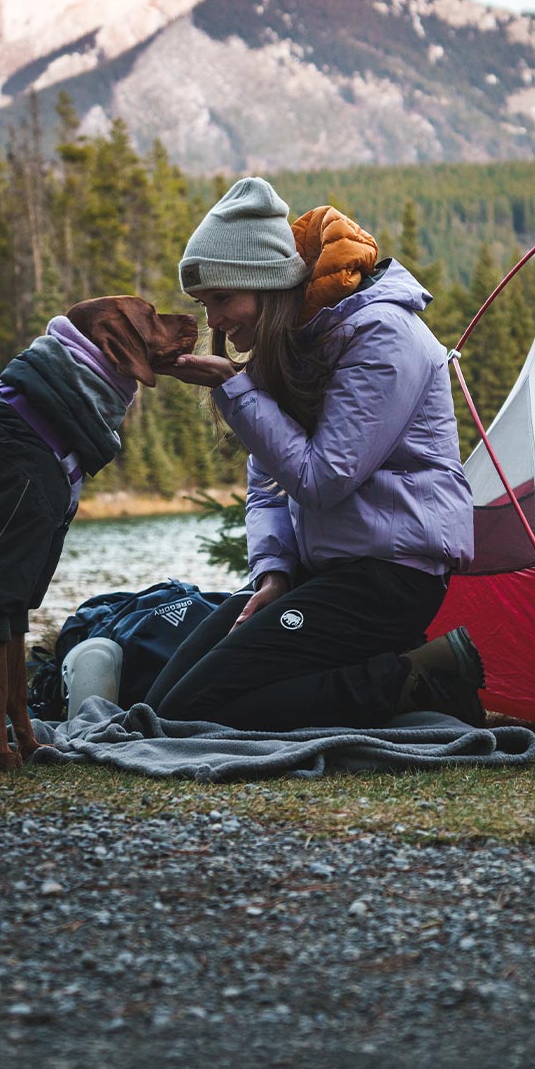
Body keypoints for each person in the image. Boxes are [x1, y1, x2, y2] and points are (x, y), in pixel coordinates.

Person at [150, 176, 483, 729]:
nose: (214, 322)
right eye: (205, 305)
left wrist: (232, 388)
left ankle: (416, 683)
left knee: (194, 710)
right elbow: (268, 486)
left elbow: (323, 478)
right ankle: (386, 676)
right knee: (165, 704)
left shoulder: (382, 335)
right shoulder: (295, 344)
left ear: (263, 283)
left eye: (221, 300)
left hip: (390, 577)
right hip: (319, 573)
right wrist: (274, 573)